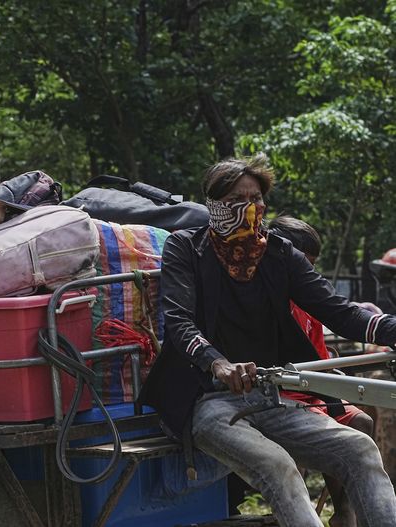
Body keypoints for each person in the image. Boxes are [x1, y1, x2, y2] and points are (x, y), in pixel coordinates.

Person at [139, 154, 396, 527]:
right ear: (214, 206)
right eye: (237, 201)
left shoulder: (279, 253)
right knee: (279, 466)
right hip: (206, 400)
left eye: (256, 199)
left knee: (359, 448)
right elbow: (177, 322)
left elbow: (340, 312)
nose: (250, 209)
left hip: (273, 396)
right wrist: (219, 363)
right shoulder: (186, 249)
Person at [267, 215, 373, 527]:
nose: (309, 272)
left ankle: (344, 513)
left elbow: (320, 356)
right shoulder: (265, 299)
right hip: (281, 392)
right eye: (305, 264)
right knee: (325, 435)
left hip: (312, 388)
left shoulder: (310, 300)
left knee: (362, 422)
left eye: (311, 265)